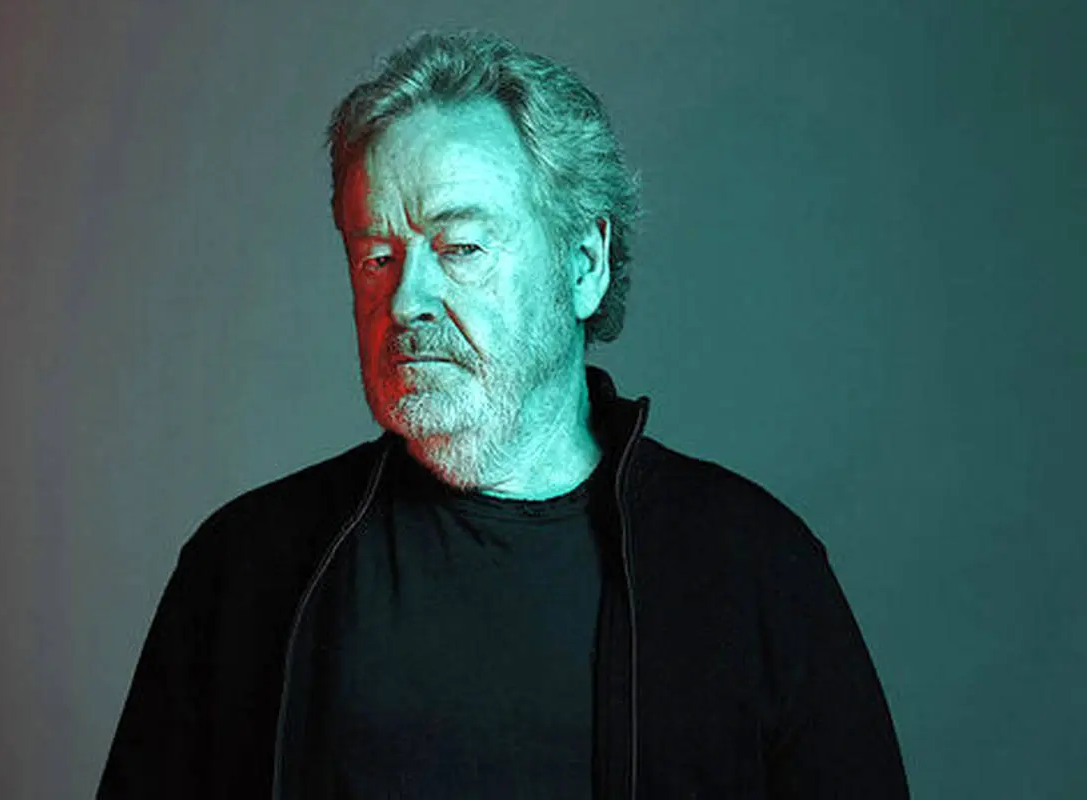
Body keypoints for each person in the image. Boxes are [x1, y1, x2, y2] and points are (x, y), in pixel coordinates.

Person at [98, 30, 909, 799]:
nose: (406, 301)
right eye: (377, 257)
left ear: (584, 265)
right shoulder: (248, 568)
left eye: (460, 249)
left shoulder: (753, 567)